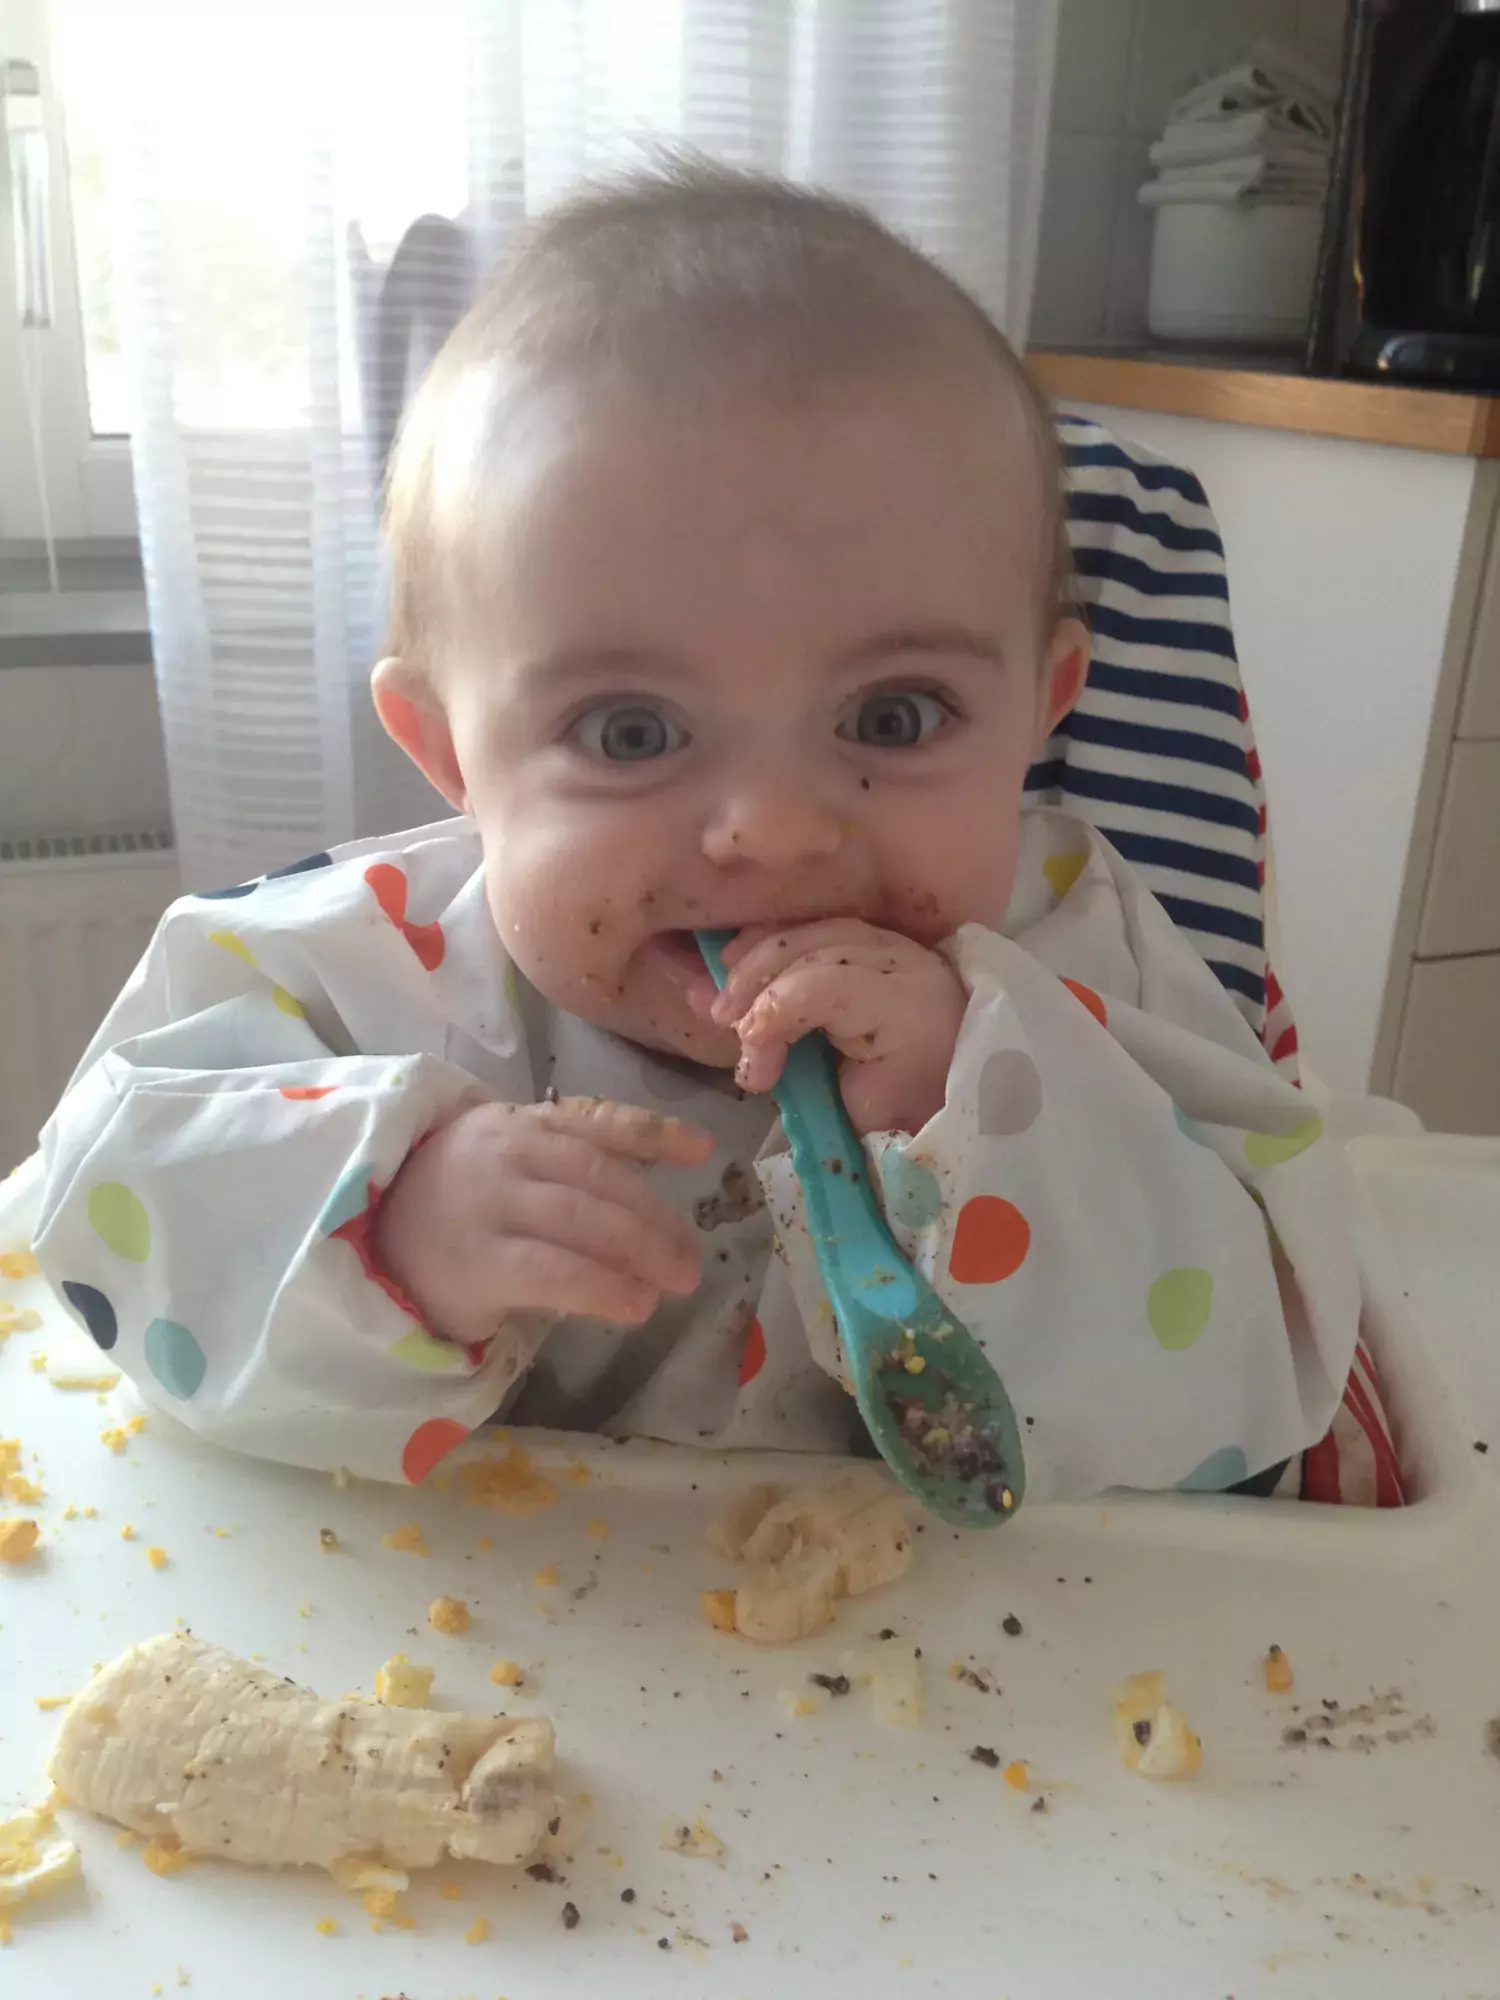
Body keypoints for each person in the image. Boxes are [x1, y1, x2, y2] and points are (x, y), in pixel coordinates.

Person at [32, 160, 1375, 1503]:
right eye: (631, 734)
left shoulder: (1097, 955)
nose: (777, 832)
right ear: (448, 753)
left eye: (897, 717)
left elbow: (1268, 1363)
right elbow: (103, 1215)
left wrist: (975, 1110)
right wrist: (387, 1227)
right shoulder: (343, 977)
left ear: (1042, 708)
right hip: (479, 1667)